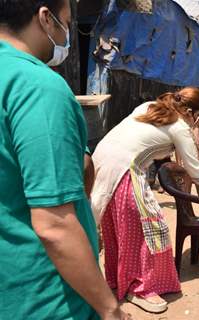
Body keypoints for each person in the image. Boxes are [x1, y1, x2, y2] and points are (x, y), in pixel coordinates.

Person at [0, 1, 127, 319]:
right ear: (45, 18)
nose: (68, 33)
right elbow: (54, 225)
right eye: (68, 22)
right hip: (46, 297)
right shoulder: (36, 87)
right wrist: (109, 309)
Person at [91, 88, 199, 313]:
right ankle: (138, 288)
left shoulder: (149, 107)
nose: (196, 122)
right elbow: (196, 173)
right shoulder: (180, 127)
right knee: (151, 229)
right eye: (196, 116)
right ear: (188, 111)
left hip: (101, 162)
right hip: (125, 172)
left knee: (120, 229)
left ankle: (120, 279)